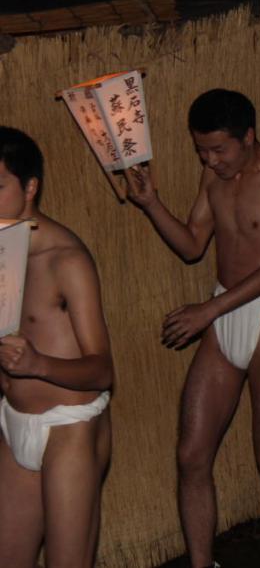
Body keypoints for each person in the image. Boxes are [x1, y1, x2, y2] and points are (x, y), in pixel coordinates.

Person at [126, 90, 260, 568]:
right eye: (202, 151)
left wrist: (208, 312)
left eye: (219, 150)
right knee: (191, 455)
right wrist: (150, 203)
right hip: (223, 318)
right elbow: (191, 244)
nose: (210, 161)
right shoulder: (213, 176)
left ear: (248, 136)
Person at [0, 126, 115, 568]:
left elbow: (103, 370)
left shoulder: (67, 260)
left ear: (30, 187)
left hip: (70, 428)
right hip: (14, 423)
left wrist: (38, 363)